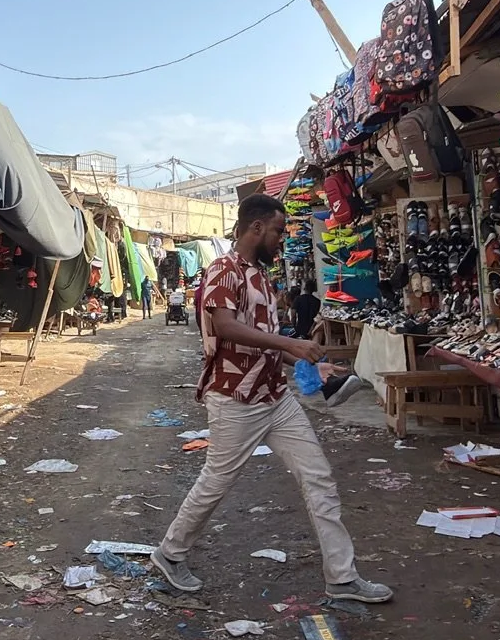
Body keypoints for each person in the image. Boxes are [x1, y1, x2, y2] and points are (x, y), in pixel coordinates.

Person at [151, 195, 392, 602]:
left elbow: (265, 344)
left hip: (274, 396)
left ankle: (342, 576)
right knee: (215, 483)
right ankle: (170, 553)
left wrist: (306, 363)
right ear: (256, 227)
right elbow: (225, 327)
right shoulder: (222, 271)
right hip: (235, 397)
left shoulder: (261, 277)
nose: (283, 238)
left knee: (318, 478)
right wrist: (290, 344)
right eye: (279, 230)